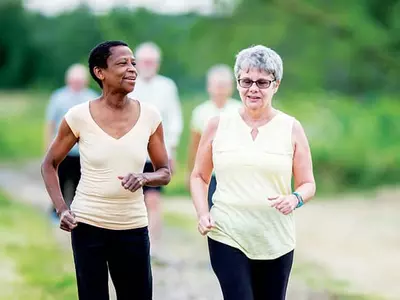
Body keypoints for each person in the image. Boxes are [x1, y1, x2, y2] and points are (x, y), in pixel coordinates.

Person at [41, 40, 171, 300]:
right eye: (123, 63)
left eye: (133, 63)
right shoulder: (78, 116)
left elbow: (165, 171)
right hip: (88, 225)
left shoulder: (150, 115)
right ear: (100, 72)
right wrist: (61, 208)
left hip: (133, 227)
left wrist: (145, 177)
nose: (132, 69)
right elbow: (49, 164)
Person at [190, 45, 316, 300]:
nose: (253, 89)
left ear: (276, 85)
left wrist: (295, 198)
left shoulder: (291, 127)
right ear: (237, 83)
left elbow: (308, 184)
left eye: (262, 82)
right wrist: (203, 213)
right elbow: (199, 177)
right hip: (227, 232)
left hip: (275, 239)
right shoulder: (217, 125)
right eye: (246, 81)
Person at [128, 41, 183, 251]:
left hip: (158, 153)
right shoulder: (129, 84)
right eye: (144, 61)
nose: (148, 64)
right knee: (132, 201)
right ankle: (132, 246)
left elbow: (174, 119)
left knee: (154, 200)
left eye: (152, 61)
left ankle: (151, 247)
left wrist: (172, 151)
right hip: (131, 153)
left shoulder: (167, 86)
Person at [44, 64, 98, 221]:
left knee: (78, 183)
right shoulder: (58, 97)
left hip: (82, 151)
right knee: (59, 180)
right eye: (74, 80)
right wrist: (48, 146)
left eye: (80, 80)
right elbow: (50, 123)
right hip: (61, 149)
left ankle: (76, 213)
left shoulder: (91, 97)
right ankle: (56, 211)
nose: (77, 83)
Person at [187, 64, 242, 209]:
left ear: (231, 87)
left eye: (223, 85)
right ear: (209, 87)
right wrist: (191, 173)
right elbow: (195, 145)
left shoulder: (240, 110)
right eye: (216, 85)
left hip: (234, 173)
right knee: (211, 211)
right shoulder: (200, 112)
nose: (220, 90)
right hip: (209, 174)